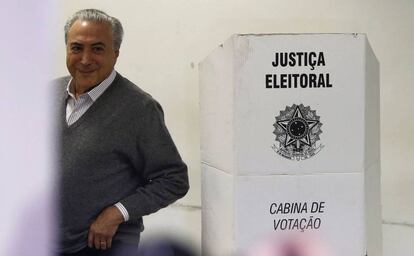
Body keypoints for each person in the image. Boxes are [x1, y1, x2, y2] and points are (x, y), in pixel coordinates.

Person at [54, 9, 189, 256]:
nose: (85, 59)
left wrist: (116, 213)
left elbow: (173, 179)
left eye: (97, 48)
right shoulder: (46, 94)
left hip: (100, 246)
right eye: (76, 48)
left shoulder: (139, 108)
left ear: (115, 54)